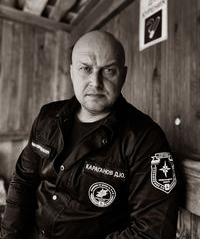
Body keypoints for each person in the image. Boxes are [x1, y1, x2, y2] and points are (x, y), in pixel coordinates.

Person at [0, 30, 179, 239]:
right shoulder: (48, 117)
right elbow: (23, 181)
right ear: (72, 72)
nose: (96, 82)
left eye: (109, 70)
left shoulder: (145, 138)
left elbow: (153, 230)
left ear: (123, 74)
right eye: (86, 69)